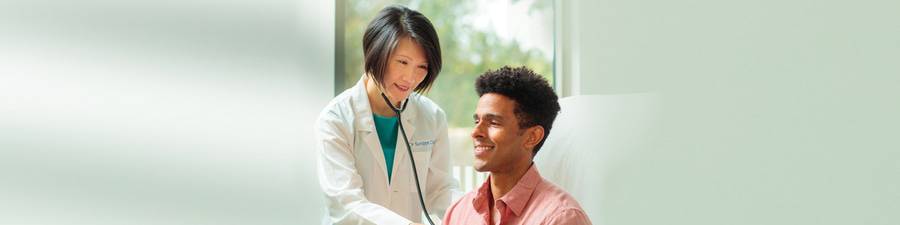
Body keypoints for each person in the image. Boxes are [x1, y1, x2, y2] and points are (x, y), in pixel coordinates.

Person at [315, 5, 458, 225]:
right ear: (375, 52)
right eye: (402, 62)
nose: (410, 77)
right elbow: (347, 205)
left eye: (422, 67)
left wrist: (469, 214)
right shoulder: (336, 119)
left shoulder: (432, 117)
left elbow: (440, 190)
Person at [443, 66, 592, 225]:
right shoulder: (459, 212)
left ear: (532, 137)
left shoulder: (562, 218)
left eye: (493, 122)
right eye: (477, 121)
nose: (476, 132)